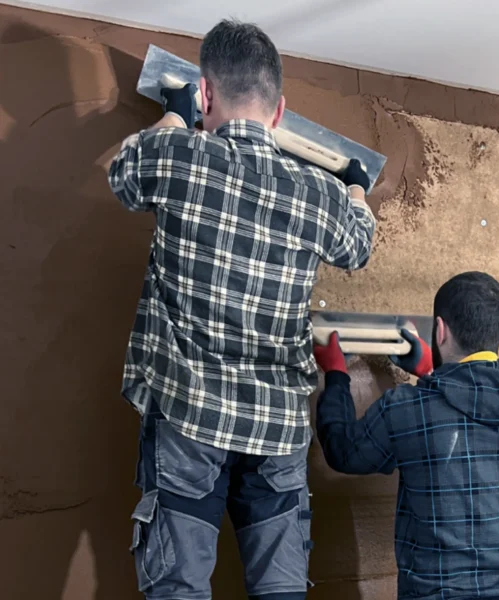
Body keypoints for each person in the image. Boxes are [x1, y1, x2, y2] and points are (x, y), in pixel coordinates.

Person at [108, 19, 375, 600]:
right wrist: (354, 185)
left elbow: (124, 174)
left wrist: (178, 113)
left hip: (188, 416)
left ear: (206, 93)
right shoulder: (318, 194)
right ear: (279, 112)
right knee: (279, 591)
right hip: (278, 429)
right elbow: (358, 244)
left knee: (178, 586)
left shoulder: (178, 155)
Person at [314, 272, 499, 600]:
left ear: (440, 330)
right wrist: (433, 374)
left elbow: (344, 451)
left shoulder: (409, 408)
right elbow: (465, 425)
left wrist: (335, 376)